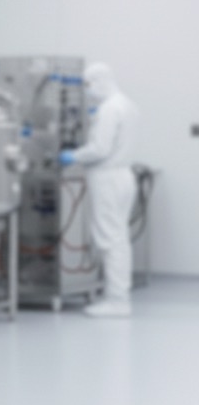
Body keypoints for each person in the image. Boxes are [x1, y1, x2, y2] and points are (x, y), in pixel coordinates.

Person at [59, 62, 140, 317]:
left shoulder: (109, 109)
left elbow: (100, 148)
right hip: (123, 175)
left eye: (90, 84)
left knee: (109, 238)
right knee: (118, 237)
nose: (88, 90)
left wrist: (73, 156)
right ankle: (118, 296)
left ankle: (117, 300)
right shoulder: (127, 104)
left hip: (108, 177)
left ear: (102, 80)